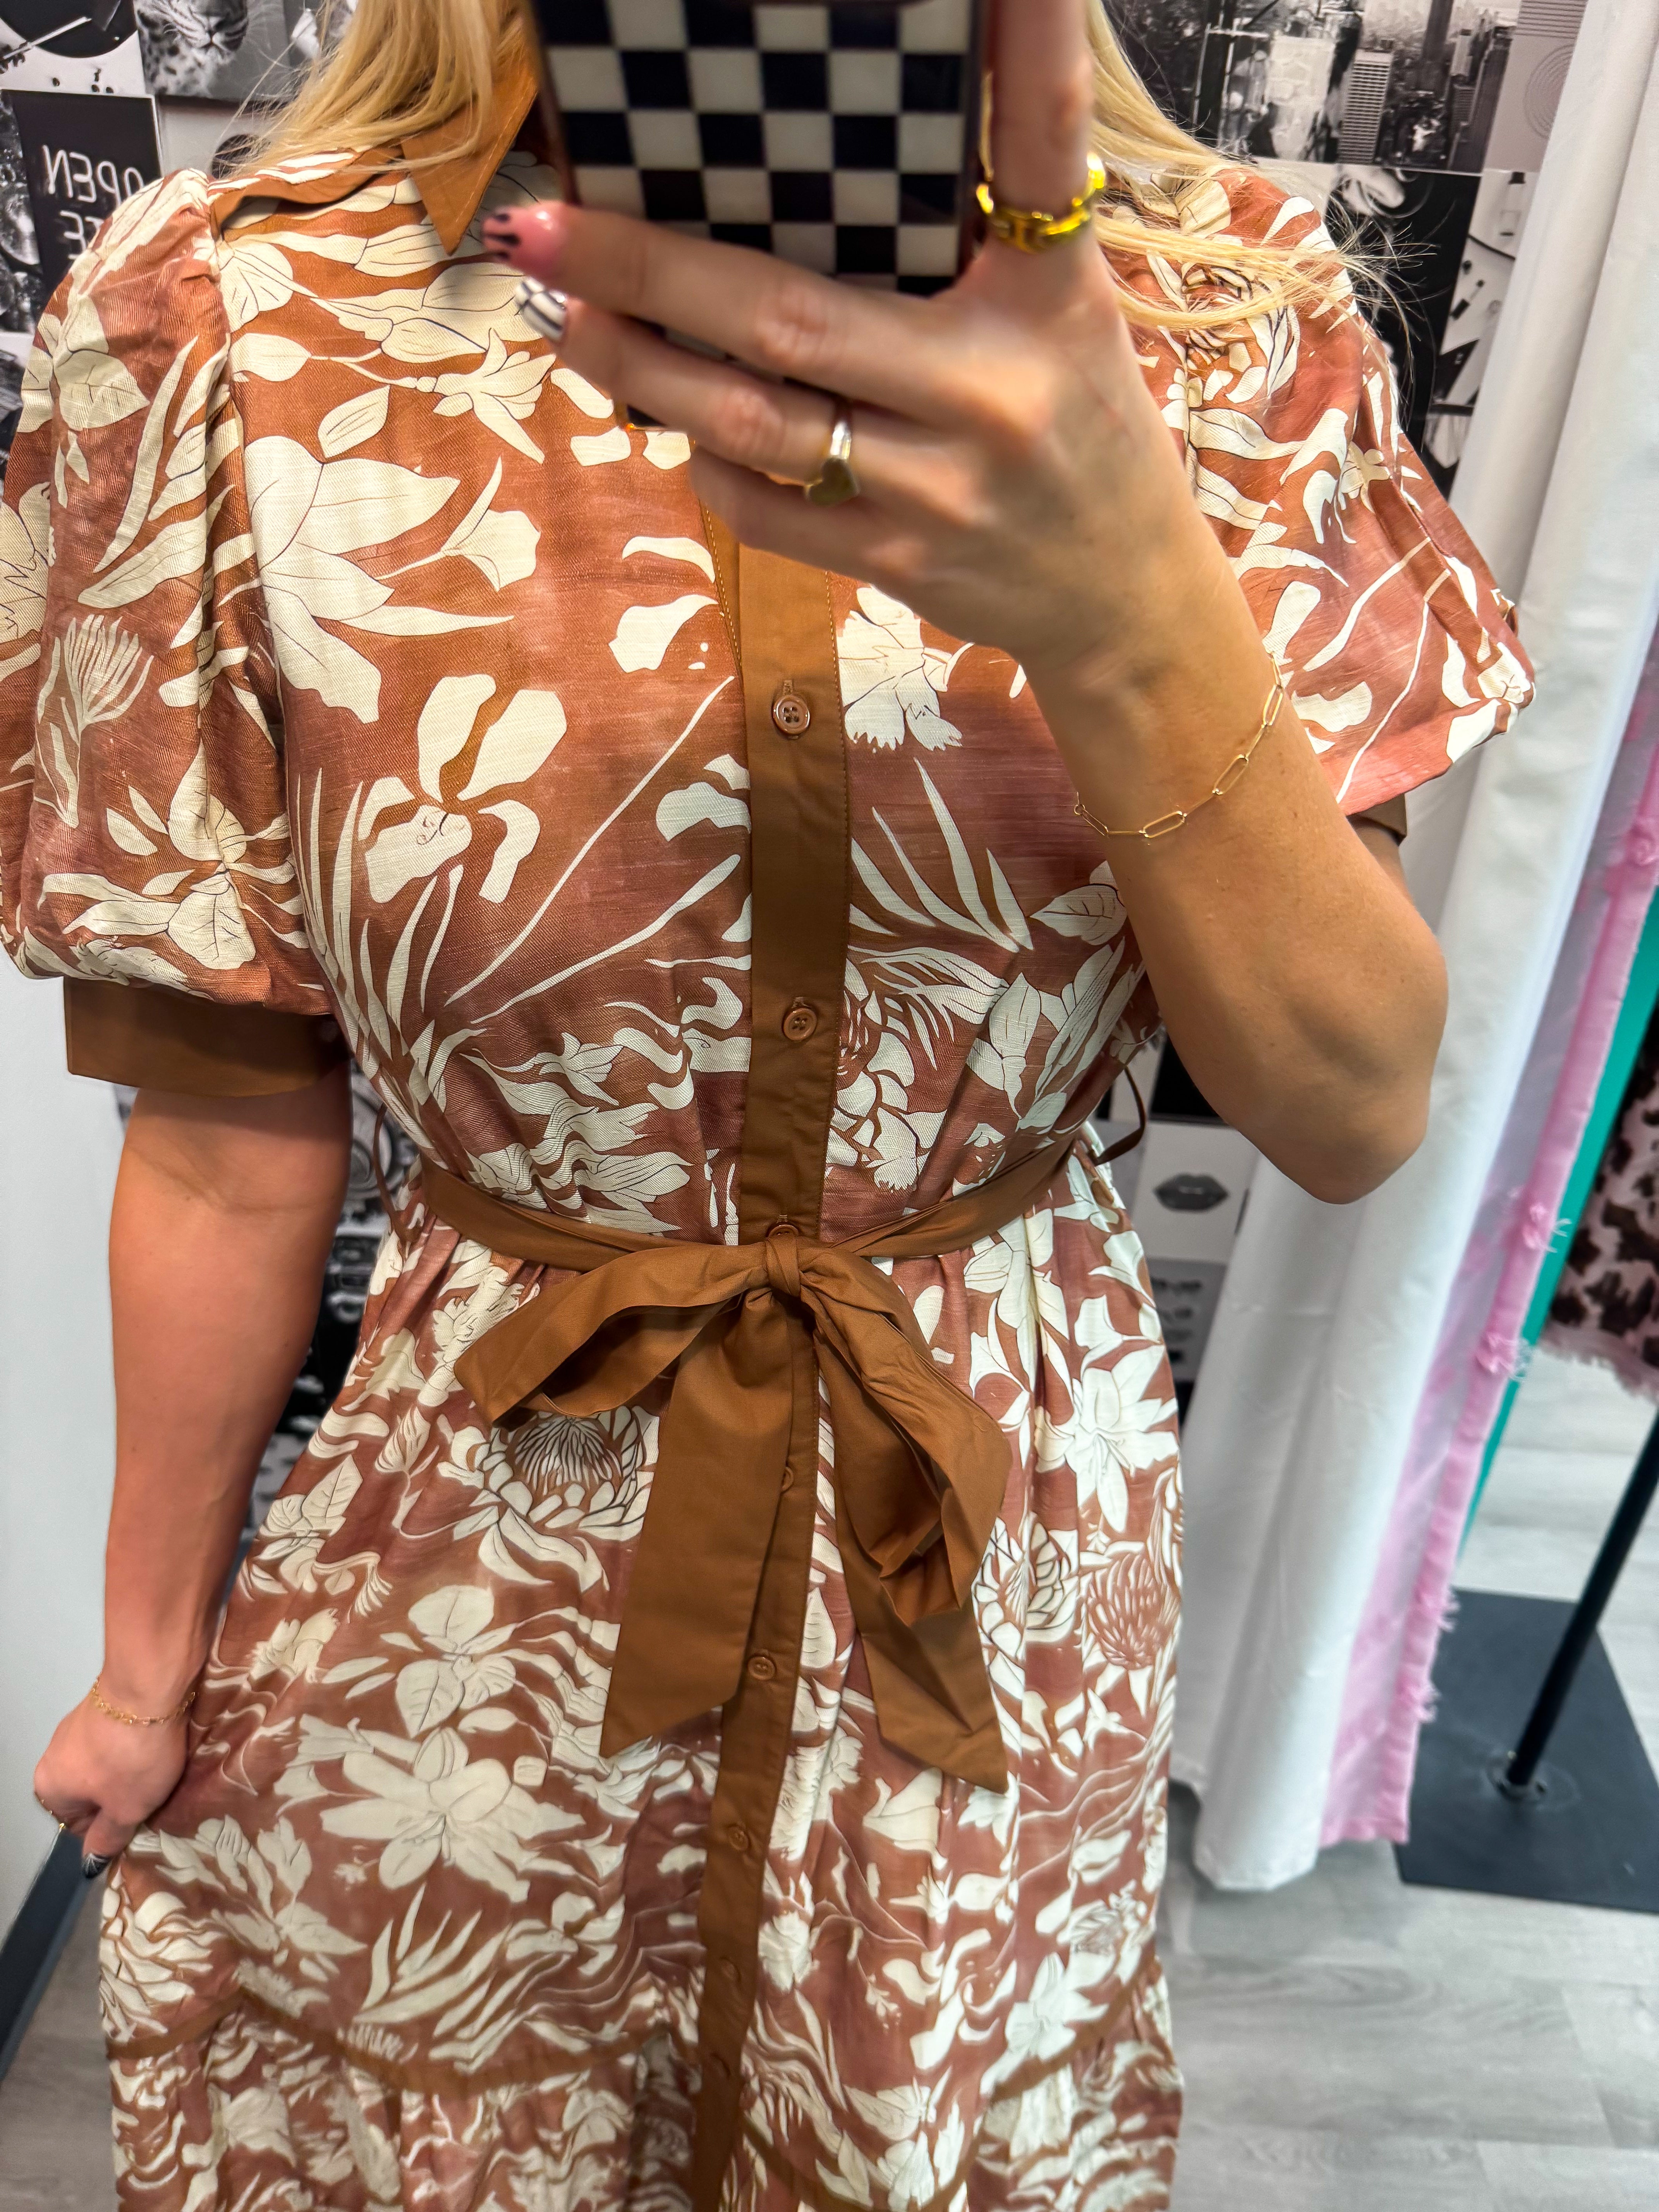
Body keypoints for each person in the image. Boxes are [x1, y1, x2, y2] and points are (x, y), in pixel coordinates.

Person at [3, 0, 1531, 2203]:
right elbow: (226, 1138)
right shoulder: (234, 327)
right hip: (483, 1581)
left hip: (994, 1548)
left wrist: (1128, 603)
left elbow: (1353, 1102)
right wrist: (146, 1673)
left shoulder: (1222, 317)